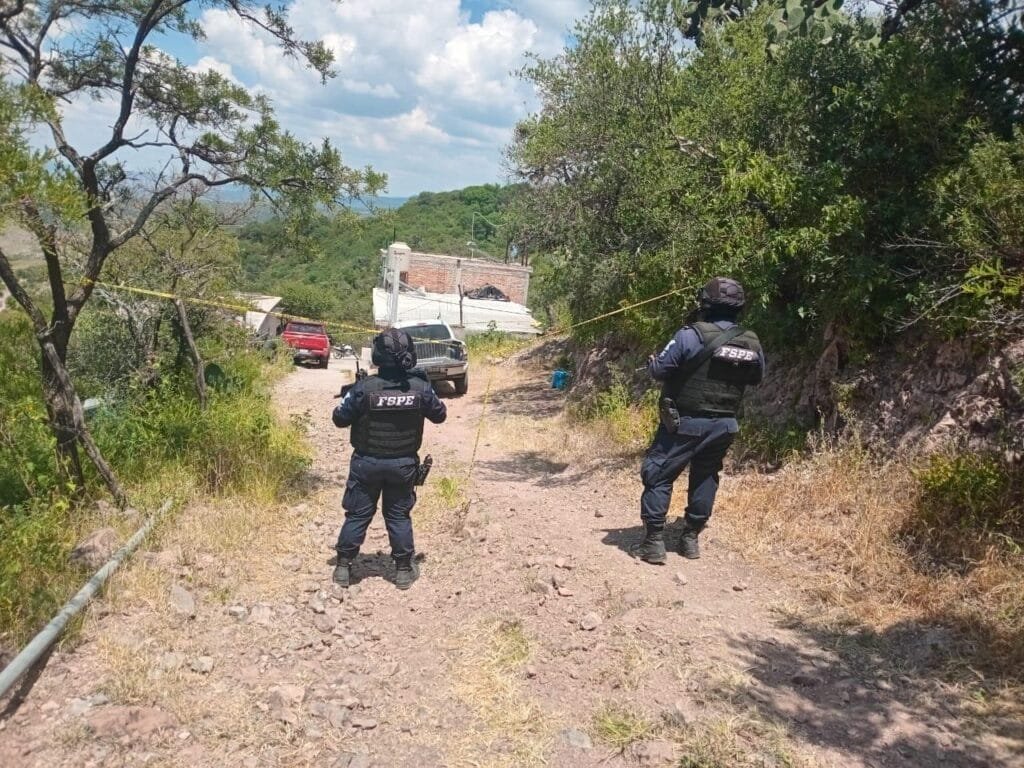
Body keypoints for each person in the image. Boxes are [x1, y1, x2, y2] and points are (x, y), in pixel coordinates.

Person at [633, 277, 765, 564]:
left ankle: (654, 542)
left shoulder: (689, 335)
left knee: (658, 474)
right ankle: (690, 540)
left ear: (705, 303)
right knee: (706, 477)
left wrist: (654, 361)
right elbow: (756, 378)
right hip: (724, 425)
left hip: (684, 423)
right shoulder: (751, 341)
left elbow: (660, 370)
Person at [331, 328, 447, 589]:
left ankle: (343, 567)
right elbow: (440, 415)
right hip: (403, 465)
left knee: (358, 514)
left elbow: (339, 419)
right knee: (398, 516)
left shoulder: (364, 388)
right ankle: (404, 570)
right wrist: (423, 386)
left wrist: (354, 393)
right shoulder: (419, 388)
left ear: (377, 356)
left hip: (366, 464)